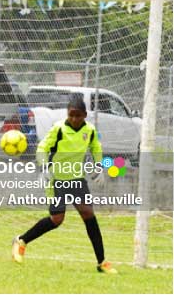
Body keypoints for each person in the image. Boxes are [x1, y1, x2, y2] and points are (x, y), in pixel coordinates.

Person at [11, 95, 117, 273]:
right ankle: (21, 240)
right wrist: (44, 167)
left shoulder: (89, 131)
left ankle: (102, 262)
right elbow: (42, 148)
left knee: (88, 214)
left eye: (78, 115)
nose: (74, 119)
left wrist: (100, 167)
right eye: (71, 115)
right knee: (57, 219)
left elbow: (96, 148)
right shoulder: (59, 129)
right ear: (67, 114)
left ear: (84, 115)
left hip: (76, 179)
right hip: (57, 180)